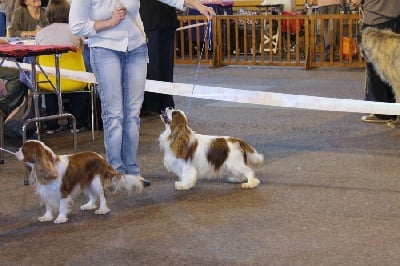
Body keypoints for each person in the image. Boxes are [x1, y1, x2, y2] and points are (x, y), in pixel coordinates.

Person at [69, 1, 215, 181]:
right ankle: (115, 172)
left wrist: (197, 6)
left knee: (132, 114)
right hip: (104, 48)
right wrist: (110, 22)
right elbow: (76, 26)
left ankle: (132, 171)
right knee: (114, 114)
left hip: (136, 49)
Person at [35, 0, 88, 133]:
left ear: (49, 14)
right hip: (74, 79)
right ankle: (77, 122)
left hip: (48, 80)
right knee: (81, 87)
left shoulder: (40, 34)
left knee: (50, 86)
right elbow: (81, 54)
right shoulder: (76, 32)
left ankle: (51, 124)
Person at [354, 0, 400, 123]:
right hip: (397, 19)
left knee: (374, 71)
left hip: (375, 22)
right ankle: (395, 111)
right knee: (395, 71)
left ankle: (383, 114)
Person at [139, 0, 178, 116]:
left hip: (153, 20)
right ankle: (164, 103)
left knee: (155, 65)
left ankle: (155, 103)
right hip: (161, 18)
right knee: (162, 65)